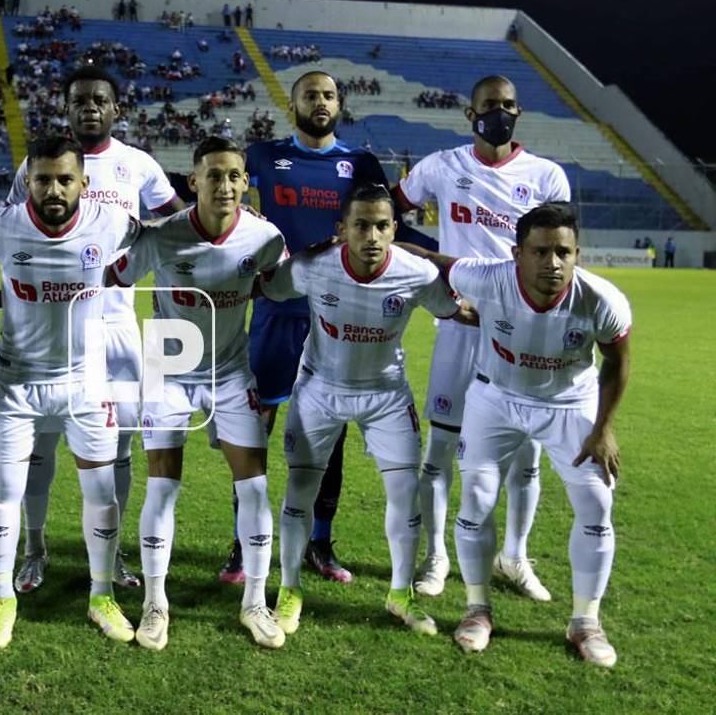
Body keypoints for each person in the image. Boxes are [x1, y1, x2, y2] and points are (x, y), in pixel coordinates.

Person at [0, 135, 143, 650]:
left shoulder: (111, 223)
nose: (54, 189)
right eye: (43, 179)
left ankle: (101, 595)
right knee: (4, 496)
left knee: (101, 494)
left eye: (65, 179)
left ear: (84, 183)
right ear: (28, 182)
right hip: (16, 388)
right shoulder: (2, 225)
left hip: (86, 385)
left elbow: (160, 236)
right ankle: (2, 599)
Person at [401, 203, 632, 668]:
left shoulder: (601, 299)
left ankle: (586, 621)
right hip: (496, 398)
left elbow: (618, 360)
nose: (553, 263)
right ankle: (477, 608)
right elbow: (431, 260)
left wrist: (604, 428)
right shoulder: (488, 278)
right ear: (516, 254)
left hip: (570, 405)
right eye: (541, 251)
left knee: (596, 502)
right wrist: (374, 244)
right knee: (478, 498)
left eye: (563, 252)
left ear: (577, 254)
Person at [234, 70, 433, 586]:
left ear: (339, 104)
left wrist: (451, 263)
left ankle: (320, 541)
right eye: (309, 95)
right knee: (253, 432)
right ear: (292, 104)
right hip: (277, 313)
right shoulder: (259, 157)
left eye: (328, 95)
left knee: (333, 437)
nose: (320, 102)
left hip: (341, 315)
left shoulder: (360, 164)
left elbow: (391, 228)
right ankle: (243, 541)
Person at [260, 183, 473, 638]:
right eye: (361, 226)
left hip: (386, 395)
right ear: (342, 230)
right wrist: (279, 250)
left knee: (404, 492)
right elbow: (269, 286)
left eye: (381, 226)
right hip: (319, 388)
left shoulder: (416, 273)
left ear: (395, 230)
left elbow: (457, 311)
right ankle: (290, 588)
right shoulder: (315, 267)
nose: (372, 237)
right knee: (300, 488)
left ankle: (400, 593)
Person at [6, 66, 185, 594]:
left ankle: (115, 550)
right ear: (68, 108)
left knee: (123, 445)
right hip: (50, 325)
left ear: (116, 109)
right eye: (79, 99)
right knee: (41, 442)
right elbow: (19, 229)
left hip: (119, 326)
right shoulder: (36, 166)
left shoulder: (139, 166)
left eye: (99, 100)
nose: (90, 107)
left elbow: (179, 222)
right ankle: (34, 548)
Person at [394, 74, 572, 599]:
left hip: (521, 332)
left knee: (525, 455)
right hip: (459, 324)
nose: (502, 112)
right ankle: (436, 557)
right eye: (491, 105)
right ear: (470, 114)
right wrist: (427, 255)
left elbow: (561, 253)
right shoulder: (443, 166)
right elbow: (390, 208)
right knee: (441, 448)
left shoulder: (546, 176)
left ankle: (513, 556)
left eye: (510, 105)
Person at [109, 136, 287, 650]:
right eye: (214, 175)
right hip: (168, 370)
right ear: (194, 182)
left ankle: (255, 601)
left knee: (253, 486)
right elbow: (114, 275)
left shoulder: (264, 237)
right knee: (162, 486)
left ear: (245, 182)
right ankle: (154, 604)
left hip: (231, 374)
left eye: (234, 175)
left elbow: (276, 282)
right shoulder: (162, 236)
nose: (225, 185)